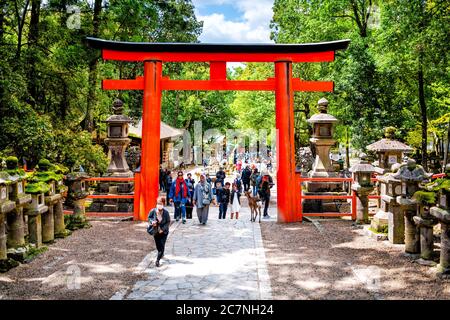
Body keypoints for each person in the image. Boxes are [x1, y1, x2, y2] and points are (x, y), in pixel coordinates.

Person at [147, 196, 171, 267]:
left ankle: (157, 260)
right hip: (156, 231)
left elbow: (168, 222)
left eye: (160, 203)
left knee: (162, 245)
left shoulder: (166, 213)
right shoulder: (153, 211)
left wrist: (163, 229)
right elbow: (149, 218)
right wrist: (152, 222)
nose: (159, 205)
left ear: (163, 204)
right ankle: (161, 253)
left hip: (164, 232)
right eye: (158, 203)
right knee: (158, 246)